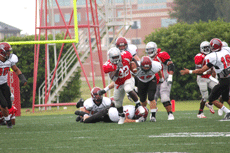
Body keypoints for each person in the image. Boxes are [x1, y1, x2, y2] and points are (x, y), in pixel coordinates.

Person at [180, 38, 230, 120]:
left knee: (211, 99)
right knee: (226, 97)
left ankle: (228, 112)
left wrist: (189, 71)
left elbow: (201, 70)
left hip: (223, 79)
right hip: (228, 77)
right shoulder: (226, 50)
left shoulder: (213, 56)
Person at [98, 37, 140, 104]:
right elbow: (115, 79)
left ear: (127, 45)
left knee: (129, 75)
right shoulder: (113, 54)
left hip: (130, 69)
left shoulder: (129, 51)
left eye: (124, 46)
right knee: (120, 77)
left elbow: (135, 60)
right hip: (122, 71)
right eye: (120, 47)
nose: (122, 48)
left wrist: (137, 67)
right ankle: (132, 91)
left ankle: (135, 89)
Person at [103, 47, 139, 124]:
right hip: (118, 83)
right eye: (114, 57)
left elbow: (133, 59)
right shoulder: (108, 65)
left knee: (128, 89)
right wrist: (117, 69)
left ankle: (138, 105)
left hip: (128, 78)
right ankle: (122, 116)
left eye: (117, 57)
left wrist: (137, 67)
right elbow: (114, 79)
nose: (116, 59)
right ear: (110, 58)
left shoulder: (126, 55)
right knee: (117, 103)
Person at [145, 41, 175, 120]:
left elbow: (171, 65)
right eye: (148, 50)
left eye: (151, 50)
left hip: (164, 79)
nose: (150, 52)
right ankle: (153, 115)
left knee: (164, 97)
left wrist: (170, 77)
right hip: (153, 81)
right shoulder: (147, 59)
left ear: (155, 49)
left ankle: (170, 114)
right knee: (151, 99)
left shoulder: (161, 55)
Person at [0, 42, 27, 128]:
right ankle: (8, 122)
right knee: (3, 104)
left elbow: (16, 69)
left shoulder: (10, 60)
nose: (9, 53)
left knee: (9, 104)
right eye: (7, 51)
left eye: (9, 51)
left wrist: (22, 78)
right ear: (1, 52)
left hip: (4, 84)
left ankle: (4, 118)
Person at [133, 56, 163, 122]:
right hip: (141, 81)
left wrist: (161, 78)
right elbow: (132, 76)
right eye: (145, 67)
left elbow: (159, 71)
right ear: (141, 65)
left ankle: (153, 116)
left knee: (151, 97)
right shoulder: (136, 67)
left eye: (148, 67)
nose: (146, 68)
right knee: (142, 100)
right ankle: (144, 115)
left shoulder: (155, 66)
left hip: (151, 80)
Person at [194, 41, 218, 118]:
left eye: (208, 47)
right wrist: (208, 72)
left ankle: (210, 103)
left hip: (208, 77)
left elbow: (213, 69)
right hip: (202, 79)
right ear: (201, 49)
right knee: (205, 96)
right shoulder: (199, 56)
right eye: (205, 48)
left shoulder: (211, 55)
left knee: (219, 88)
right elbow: (198, 72)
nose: (207, 49)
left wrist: (213, 75)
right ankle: (200, 113)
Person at [82, 97, 148, 123]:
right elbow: (125, 120)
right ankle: (81, 111)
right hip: (107, 112)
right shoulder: (130, 111)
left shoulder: (133, 109)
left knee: (94, 120)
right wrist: (136, 121)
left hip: (110, 119)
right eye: (140, 116)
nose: (140, 118)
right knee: (87, 121)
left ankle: (82, 116)